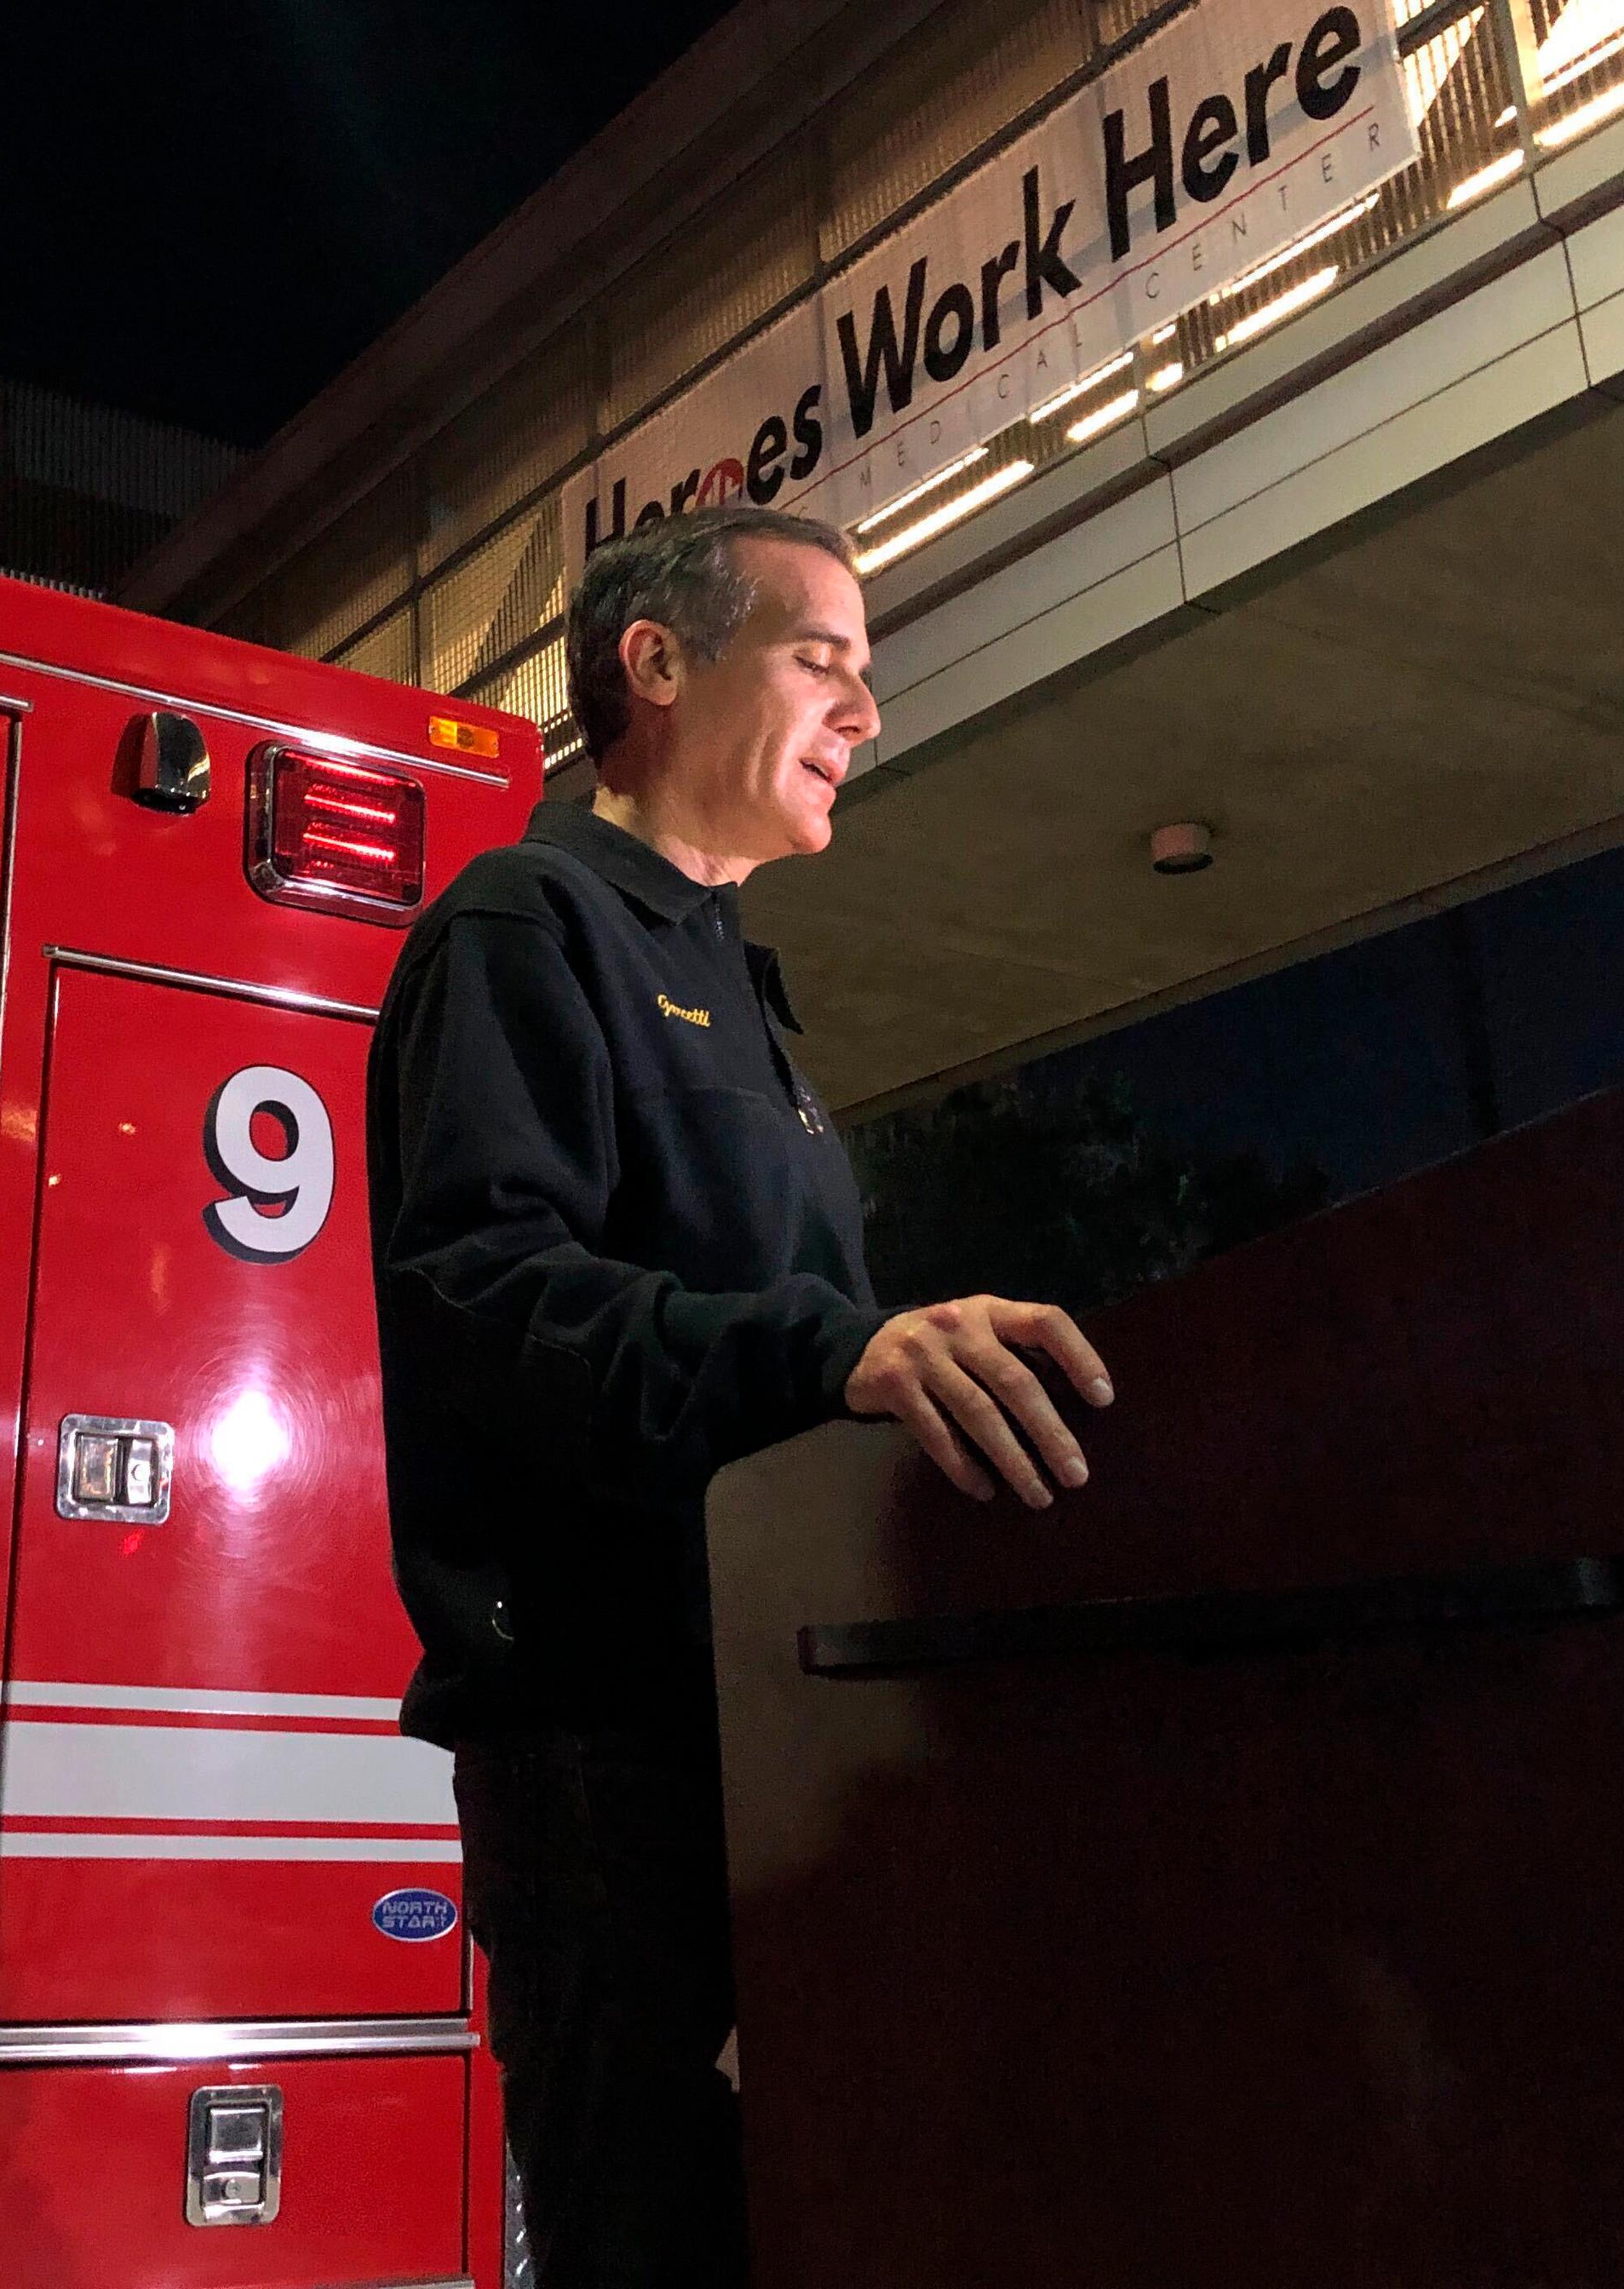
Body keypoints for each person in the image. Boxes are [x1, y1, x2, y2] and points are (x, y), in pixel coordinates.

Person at [365, 501, 1115, 2287]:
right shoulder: (523, 925)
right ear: (659, 664)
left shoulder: (741, 998)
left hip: (783, 1736)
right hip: (611, 1751)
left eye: (870, 674)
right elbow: (483, 1298)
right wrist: (829, 1350)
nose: (869, 712)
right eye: (824, 659)